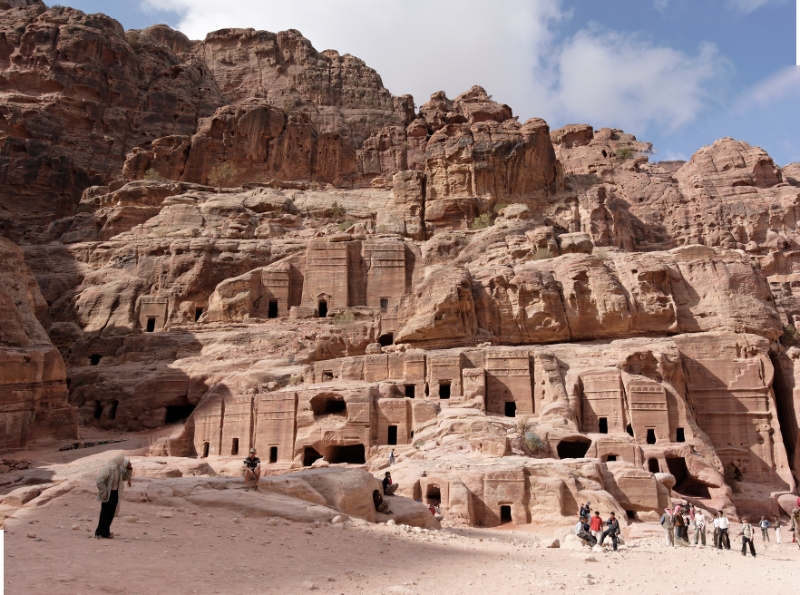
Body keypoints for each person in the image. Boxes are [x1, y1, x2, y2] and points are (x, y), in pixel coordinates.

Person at [95, 454, 133, 539]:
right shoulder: (109, 468)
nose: (123, 461)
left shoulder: (119, 468)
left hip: (116, 493)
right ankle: (99, 532)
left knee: (111, 513)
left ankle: (106, 532)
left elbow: (125, 478)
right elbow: (99, 480)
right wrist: (104, 492)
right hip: (108, 493)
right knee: (105, 513)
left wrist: (129, 468)